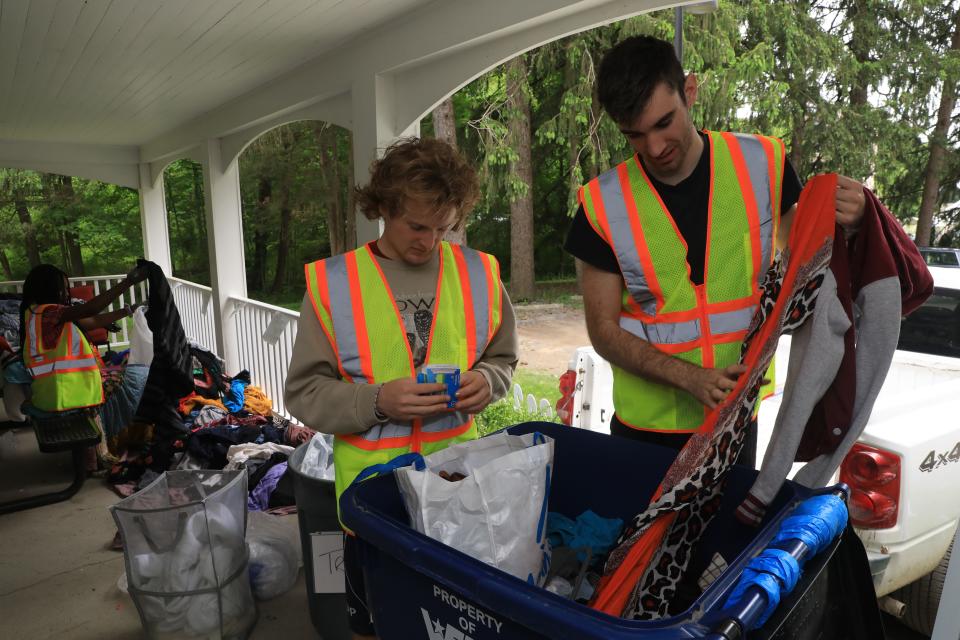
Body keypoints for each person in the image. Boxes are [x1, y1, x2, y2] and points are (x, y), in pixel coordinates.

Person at [564, 35, 866, 467]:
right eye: (635, 134)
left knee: (726, 536)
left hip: (736, 421)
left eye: (664, 122)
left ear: (689, 91)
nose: (654, 147)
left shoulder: (763, 163)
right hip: (644, 433)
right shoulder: (601, 205)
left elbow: (811, 263)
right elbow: (604, 331)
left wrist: (851, 223)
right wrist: (689, 378)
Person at [285, 137, 519, 640]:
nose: (429, 242)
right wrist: (376, 401)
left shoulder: (479, 273)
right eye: (417, 226)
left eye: (443, 228)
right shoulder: (333, 283)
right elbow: (304, 393)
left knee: (450, 624)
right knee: (376, 625)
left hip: (458, 495)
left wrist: (489, 381)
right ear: (385, 207)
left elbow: (502, 359)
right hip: (374, 505)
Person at [18, 263, 152, 462]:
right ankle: (115, 444)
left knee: (126, 375)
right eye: (62, 288)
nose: (66, 293)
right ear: (47, 289)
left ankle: (101, 451)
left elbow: (93, 321)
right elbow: (92, 309)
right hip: (66, 396)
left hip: (52, 393)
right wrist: (129, 281)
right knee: (138, 378)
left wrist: (129, 310)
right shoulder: (48, 313)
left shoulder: (35, 313)